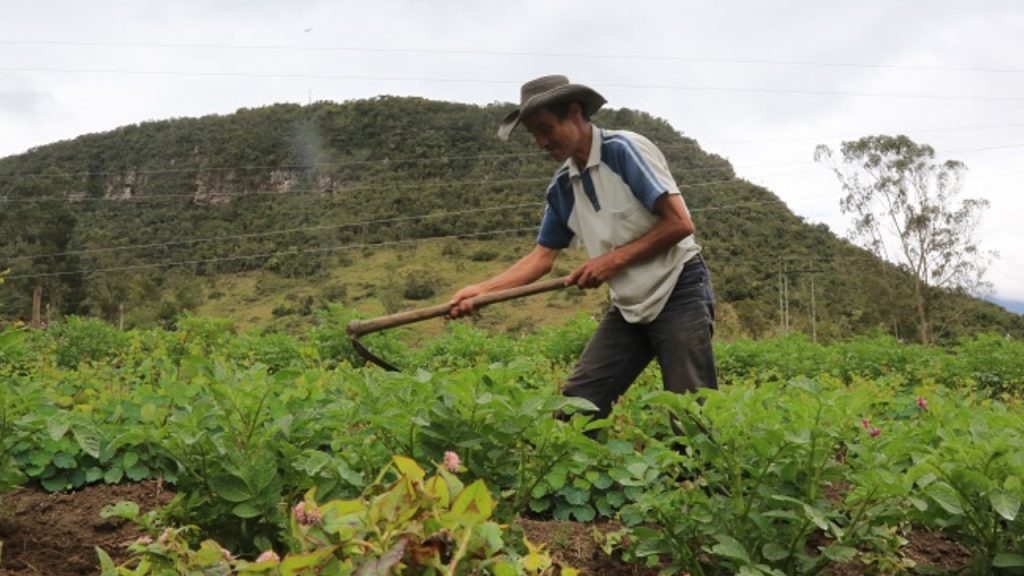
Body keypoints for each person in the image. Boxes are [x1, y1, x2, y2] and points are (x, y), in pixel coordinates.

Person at [449, 74, 717, 423]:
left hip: (679, 289)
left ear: (574, 113)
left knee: (691, 416)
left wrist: (611, 261)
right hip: (628, 305)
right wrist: (481, 291)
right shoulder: (562, 187)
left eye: (546, 129)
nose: (541, 143)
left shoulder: (624, 151)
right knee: (577, 408)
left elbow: (680, 223)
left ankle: (704, 479)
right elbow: (542, 258)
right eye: (534, 135)